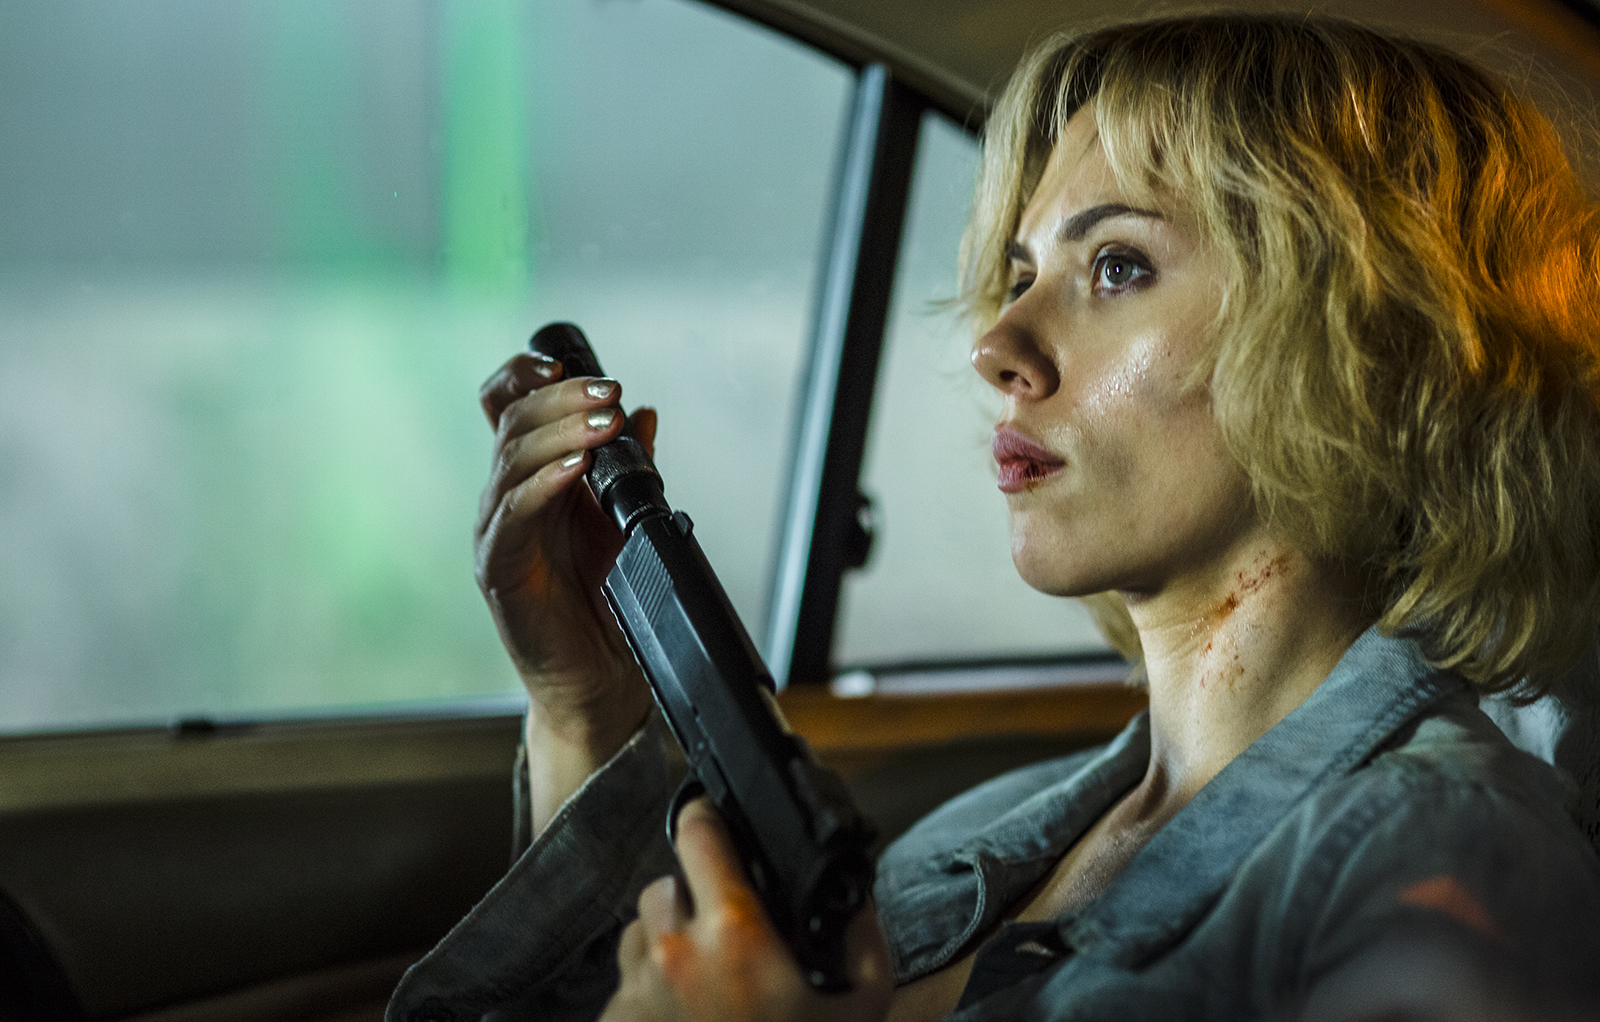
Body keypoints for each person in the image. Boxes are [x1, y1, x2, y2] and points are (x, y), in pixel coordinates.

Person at [388, 14, 1600, 1022]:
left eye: (1116, 265)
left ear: (1366, 344)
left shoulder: (1444, 865)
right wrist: (583, 704)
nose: (998, 343)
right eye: (1020, 273)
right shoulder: (982, 831)